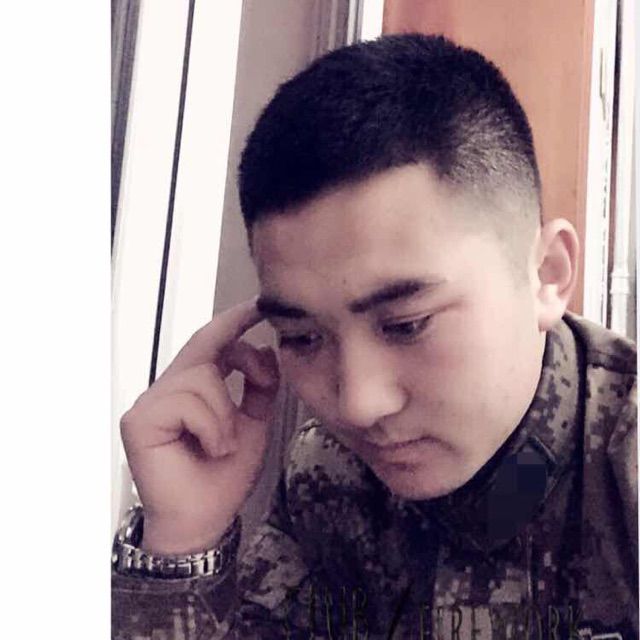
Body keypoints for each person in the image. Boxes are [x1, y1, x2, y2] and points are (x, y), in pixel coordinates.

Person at [112, 34, 637, 639]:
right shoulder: (327, 474)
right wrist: (183, 543)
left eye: (407, 324)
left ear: (547, 275)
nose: (358, 404)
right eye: (302, 337)